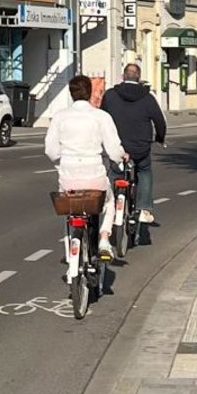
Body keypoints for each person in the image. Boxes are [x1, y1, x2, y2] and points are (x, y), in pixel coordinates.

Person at [46, 75, 127, 260]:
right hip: (94, 176)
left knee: (70, 208)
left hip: (68, 178)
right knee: (109, 202)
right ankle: (105, 239)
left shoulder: (60, 117)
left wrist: (65, 158)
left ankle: (69, 250)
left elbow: (51, 151)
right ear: (90, 93)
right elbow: (114, 150)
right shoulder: (101, 117)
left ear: (71, 94)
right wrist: (119, 158)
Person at [100, 63, 167, 224]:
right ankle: (144, 208)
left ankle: (107, 203)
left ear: (123, 77)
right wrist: (160, 137)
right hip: (140, 147)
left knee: (115, 171)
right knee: (144, 170)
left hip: (117, 146)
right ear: (139, 78)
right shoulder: (148, 97)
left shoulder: (110, 95)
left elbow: (101, 118)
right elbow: (159, 121)